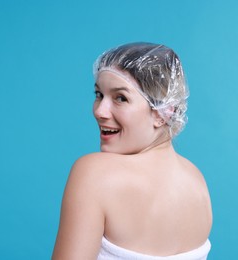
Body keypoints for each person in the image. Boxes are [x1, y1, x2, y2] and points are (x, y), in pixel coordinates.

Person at [52, 42, 212, 259]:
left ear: (162, 111)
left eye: (121, 98)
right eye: (99, 94)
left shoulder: (94, 174)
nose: (100, 111)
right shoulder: (196, 180)